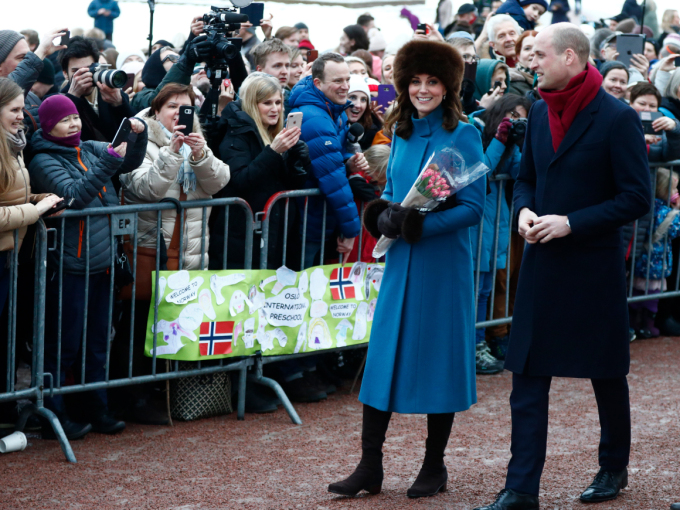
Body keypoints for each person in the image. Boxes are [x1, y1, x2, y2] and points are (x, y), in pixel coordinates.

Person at [473, 24, 651, 510]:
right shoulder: (535, 108)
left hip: (593, 268)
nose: (532, 63)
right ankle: (521, 487)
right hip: (542, 264)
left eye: (540, 56)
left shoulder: (616, 118)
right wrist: (523, 210)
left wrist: (573, 222)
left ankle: (613, 467)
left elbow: (637, 196)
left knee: (606, 374)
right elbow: (526, 178)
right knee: (527, 376)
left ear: (570, 57)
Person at [329, 39, 486, 499]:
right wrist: (381, 214)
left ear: (447, 86)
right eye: (415, 81)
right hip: (400, 259)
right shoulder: (397, 128)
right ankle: (369, 466)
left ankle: (434, 466)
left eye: (432, 81)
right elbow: (396, 192)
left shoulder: (466, 133)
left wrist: (419, 223)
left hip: (441, 264)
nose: (422, 89)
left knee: (439, 361)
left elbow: (472, 209)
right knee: (383, 359)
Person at [28, 94, 148, 440]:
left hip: (103, 264)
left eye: (76, 118)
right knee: (63, 343)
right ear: (50, 127)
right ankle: (54, 412)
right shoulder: (43, 160)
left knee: (98, 341)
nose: (75, 124)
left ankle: (96, 406)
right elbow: (75, 195)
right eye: (66, 121)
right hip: (69, 265)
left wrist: (136, 137)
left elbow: (128, 163)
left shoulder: (91, 148)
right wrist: (110, 159)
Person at [213, 75, 308, 272]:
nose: (275, 109)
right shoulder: (236, 134)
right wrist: (274, 152)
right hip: (242, 236)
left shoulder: (274, 133)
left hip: (274, 234)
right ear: (252, 104)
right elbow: (240, 180)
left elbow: (289, 185)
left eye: (278, 102)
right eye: (267, 103)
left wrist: (298, 159)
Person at [469, 94, 531, 371]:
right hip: (474, 223)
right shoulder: (474, 128)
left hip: (497, 224)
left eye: (521, 119)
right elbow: (479, 171)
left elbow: (522, 174)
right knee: (471, 289)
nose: (515, 122)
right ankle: (469, 345)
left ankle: (478, 342)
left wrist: (523, 142)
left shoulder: (511, 144)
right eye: (512, 117)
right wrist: (498, 139)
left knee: (484, 288)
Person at [288, 53, 364, 268]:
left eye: (347, 79)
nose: (345, 86)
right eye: (338, 81)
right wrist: (351, 230)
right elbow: (333, 178)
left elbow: (334, 157)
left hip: (318, 218)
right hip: (308, 222)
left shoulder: (334, 109)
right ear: (318, 83)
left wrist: (350, 161)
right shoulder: (315, 118)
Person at [629, 168, 680, 339]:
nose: (677, 192)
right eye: (674, 189)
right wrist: (677, 210)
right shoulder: (667, 213)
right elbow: (674, 230)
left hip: (641, 259)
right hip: (656, 264)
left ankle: (633, 325)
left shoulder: (648, 206)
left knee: (636, 292)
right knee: (652, 297)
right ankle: (648, 326)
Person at [59, 36, 134, 143]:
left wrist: (119, 103)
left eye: (89, 69)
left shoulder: (110, 90)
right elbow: (61, 135)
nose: (85, 75)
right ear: (65, 73)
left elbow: (134, 128)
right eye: (77, 71)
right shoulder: (58, 101)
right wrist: (73, 96)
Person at [0, 28, 67, 108]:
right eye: (21, 57)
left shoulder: (32, 97)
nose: (26, 62)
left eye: (28, 56)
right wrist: (41, 51)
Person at [629, 82, 680, 163]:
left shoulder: (659, 127)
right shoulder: (619, 122)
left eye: (652, 106)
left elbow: (671, 156)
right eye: (642, 104)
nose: (647, 109)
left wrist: (674, 129)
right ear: (631, 103)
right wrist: (638, 140)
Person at [346, 75, 380, 150]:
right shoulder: (330, 125)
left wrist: (385, 124)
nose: (358, 105)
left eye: (363, 99)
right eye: (352, 97)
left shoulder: (373, 131)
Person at [508, 30, 538, 96]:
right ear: (518, 55)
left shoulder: (552, 79)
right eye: (527, 48)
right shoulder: (510, 82)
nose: (533, 53)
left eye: (537, 48)